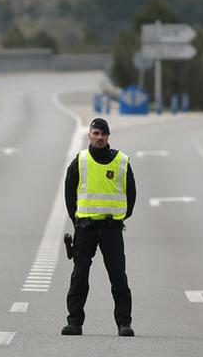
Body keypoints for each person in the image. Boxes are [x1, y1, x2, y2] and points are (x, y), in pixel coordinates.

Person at [62, 117, 136, 337]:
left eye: (103, 134)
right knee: (79, 276)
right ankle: (74, 322)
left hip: (112, 229)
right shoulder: (80, 161)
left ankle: (124, 323)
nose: (100, 137)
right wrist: (77, 220)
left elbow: (131, 194)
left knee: (118, 277)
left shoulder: (121, 161)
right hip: (86, 228)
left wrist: (120, 217)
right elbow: (69, 193)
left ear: (108, 136)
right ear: (89, 135)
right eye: (96, 133)